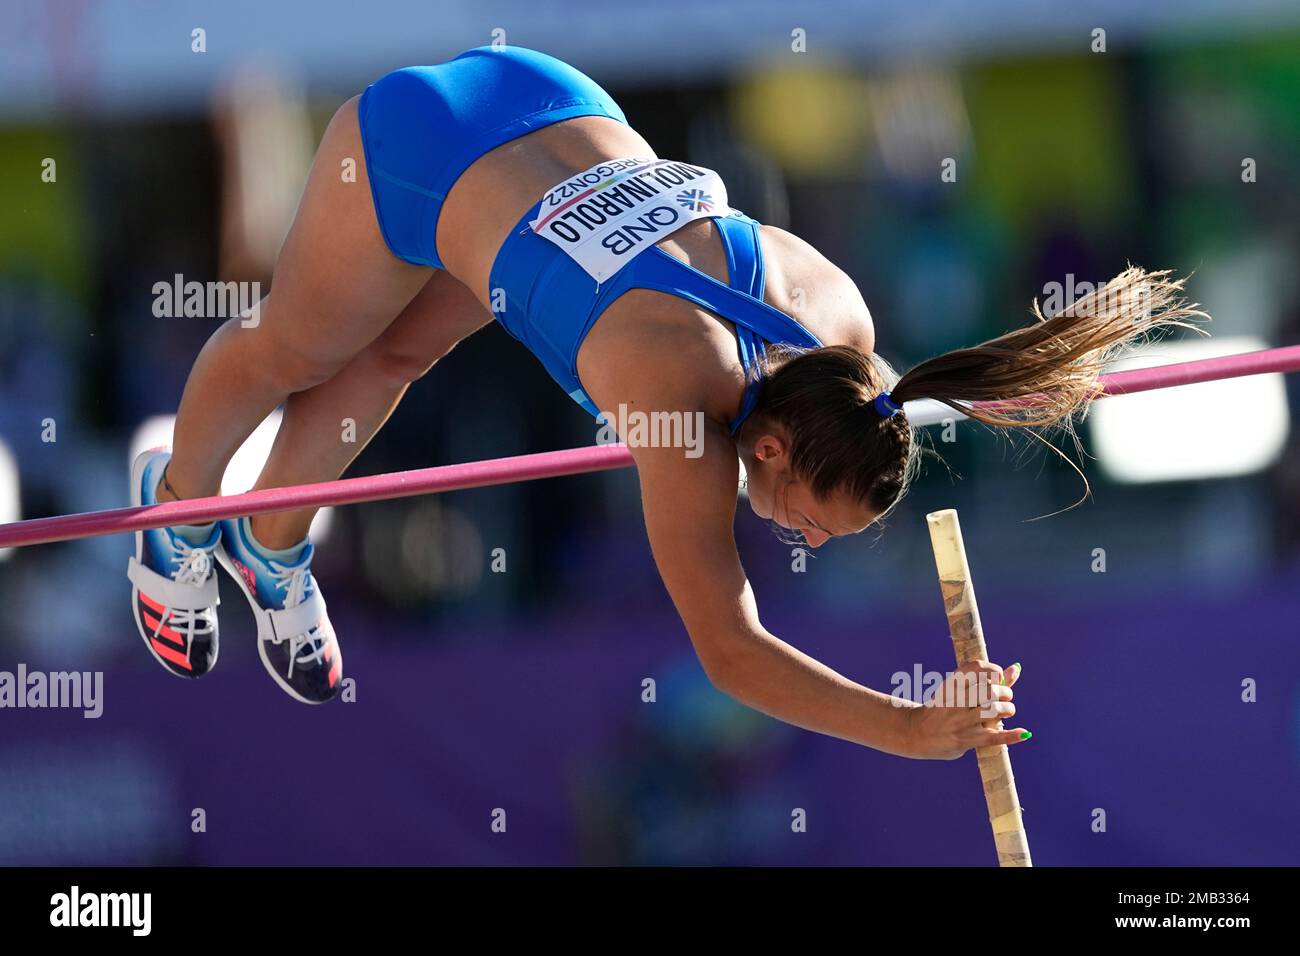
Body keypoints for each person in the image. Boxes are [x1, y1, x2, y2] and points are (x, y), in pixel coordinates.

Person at [127, 46, 1199, 756]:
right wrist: (912, 724)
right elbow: (729, 650)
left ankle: (270, 549)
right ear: (768, 444)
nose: (798, 542)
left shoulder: (847, 339)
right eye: (800, 518)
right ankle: (172, 516)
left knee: (388, 366)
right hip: (420, 147)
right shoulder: (679, 417)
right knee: (297, 348)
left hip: (557, 103)